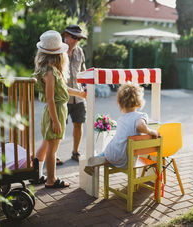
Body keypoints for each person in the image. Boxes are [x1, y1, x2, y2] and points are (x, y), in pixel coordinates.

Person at [32, 30, 86, 188]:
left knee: (46, 143)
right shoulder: (50, 72)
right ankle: (51, 179)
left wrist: (80, 94)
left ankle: (36, 175)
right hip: (54, 112)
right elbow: (50, 98)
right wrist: (55, 121)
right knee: (53, 147)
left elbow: (63, 90)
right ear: (59, 55)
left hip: (55, 111)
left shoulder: (52, 70)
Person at [84, 82, 159, 175]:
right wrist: (151, 131)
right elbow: (140, 126)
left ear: (120, 102)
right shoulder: (141, 115)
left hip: (112, 153)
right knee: (121, 149)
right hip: (128, 160)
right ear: (139, 101)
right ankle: (103, 158)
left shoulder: (121, 119)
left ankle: (99, 159)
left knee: (111, 146)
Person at [58, 24, 88, 164]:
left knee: (79, 124)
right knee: (58, 126)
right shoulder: (57, 52)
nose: (77, 40)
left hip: (79, 97)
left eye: (79, 38)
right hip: (62, 96)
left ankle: (75, 153)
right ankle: (54, 154)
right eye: (74, 37)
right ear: (65, 36)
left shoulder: (80, 51)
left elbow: (83, 71)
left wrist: (86, 87)